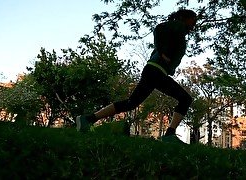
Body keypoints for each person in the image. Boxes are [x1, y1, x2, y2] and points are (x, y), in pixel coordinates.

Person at [76, 9, 197, 142]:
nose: (194, 24)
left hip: (154, 71)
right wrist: (163, 53)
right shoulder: (177, 25)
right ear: (184, 18)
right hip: (156, 71)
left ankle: (88, 119)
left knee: (131, 103)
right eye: (193, 20)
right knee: (185, 99)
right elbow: (159, 28)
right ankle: (169, 134)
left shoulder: (178, 32)